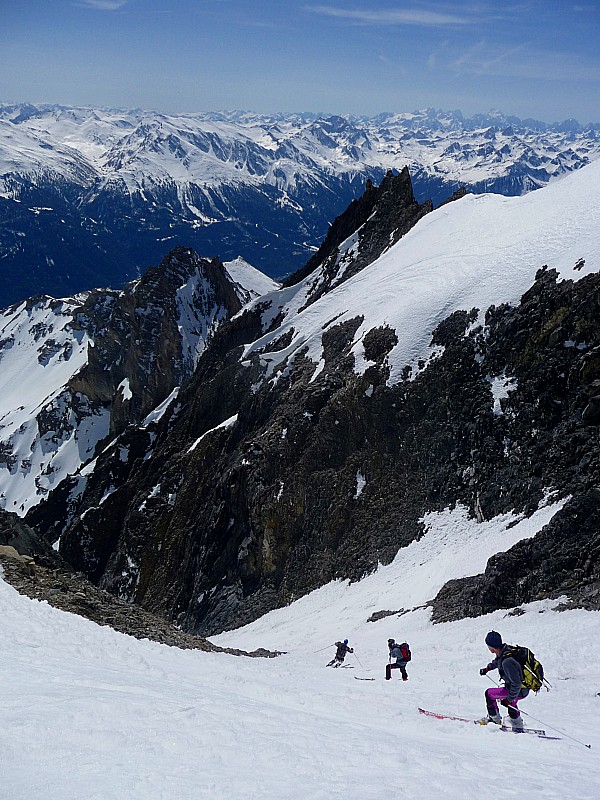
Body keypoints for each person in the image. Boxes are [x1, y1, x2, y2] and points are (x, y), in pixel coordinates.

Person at [478, 630, 528, 729]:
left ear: (491, 646)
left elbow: (516, 684)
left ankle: (494, 719)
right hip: (523, 688)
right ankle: (517, 722)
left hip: (519, 690)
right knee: (511, 703)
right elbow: (498, 661)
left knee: (489, 694)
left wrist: (508, 699)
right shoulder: (505, 651)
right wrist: (487, 668)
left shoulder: (507, 662)